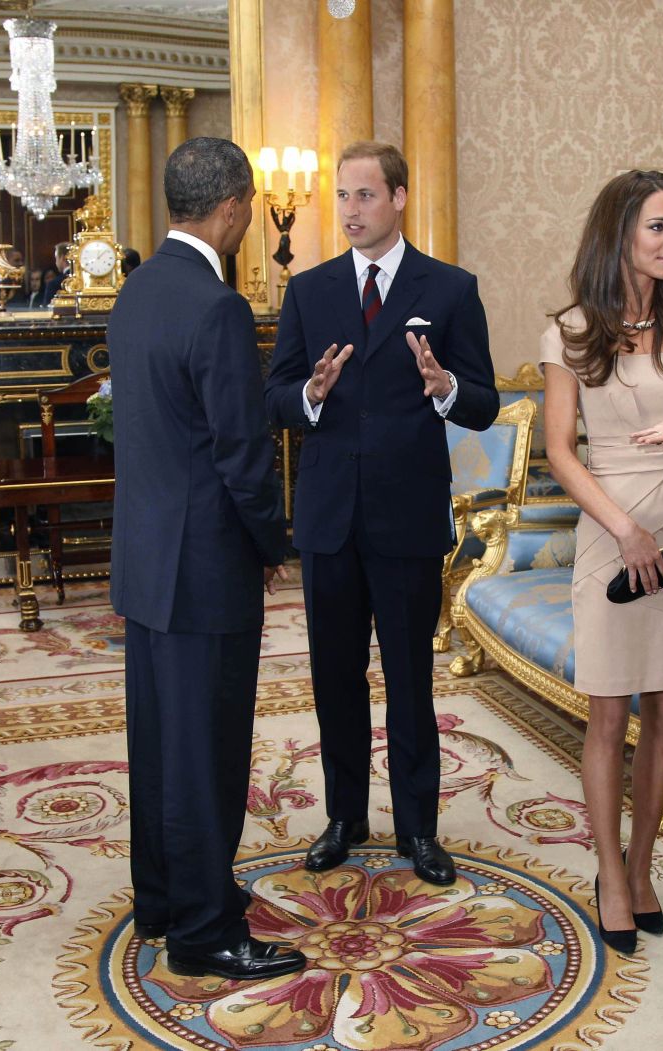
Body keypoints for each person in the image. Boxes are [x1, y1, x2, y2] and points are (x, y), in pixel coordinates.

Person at [264, 140, 498, 886]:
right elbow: (276, 393)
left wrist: (445, 386)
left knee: (408, 681)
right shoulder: (310, 290)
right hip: (330, 520)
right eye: (343, 196)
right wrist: (312, 394)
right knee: (336, 677)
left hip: (406, 521)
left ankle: (420, 831)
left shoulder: (451, 288)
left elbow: (486, 403)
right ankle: (345, 817)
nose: (351, 210)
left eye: (365, 195)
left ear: (399, 197)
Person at [107, 137, 304, 983]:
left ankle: (161, 895)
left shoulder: (138, 291)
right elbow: (241, 453)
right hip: (205, 566)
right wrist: (273, 542)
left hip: (147, 563)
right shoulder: (217, 306)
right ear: (233, 207)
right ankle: (203, 928)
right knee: (207, 750)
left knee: (158, 739)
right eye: (250, 206)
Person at [538, 170, 663, 955]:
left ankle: (643, 867)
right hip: (610, 526)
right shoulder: (571, 331)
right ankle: (609, 874)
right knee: (608, 709)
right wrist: (621, 528)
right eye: (658, 226)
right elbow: (558, 450)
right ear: (619, 231)